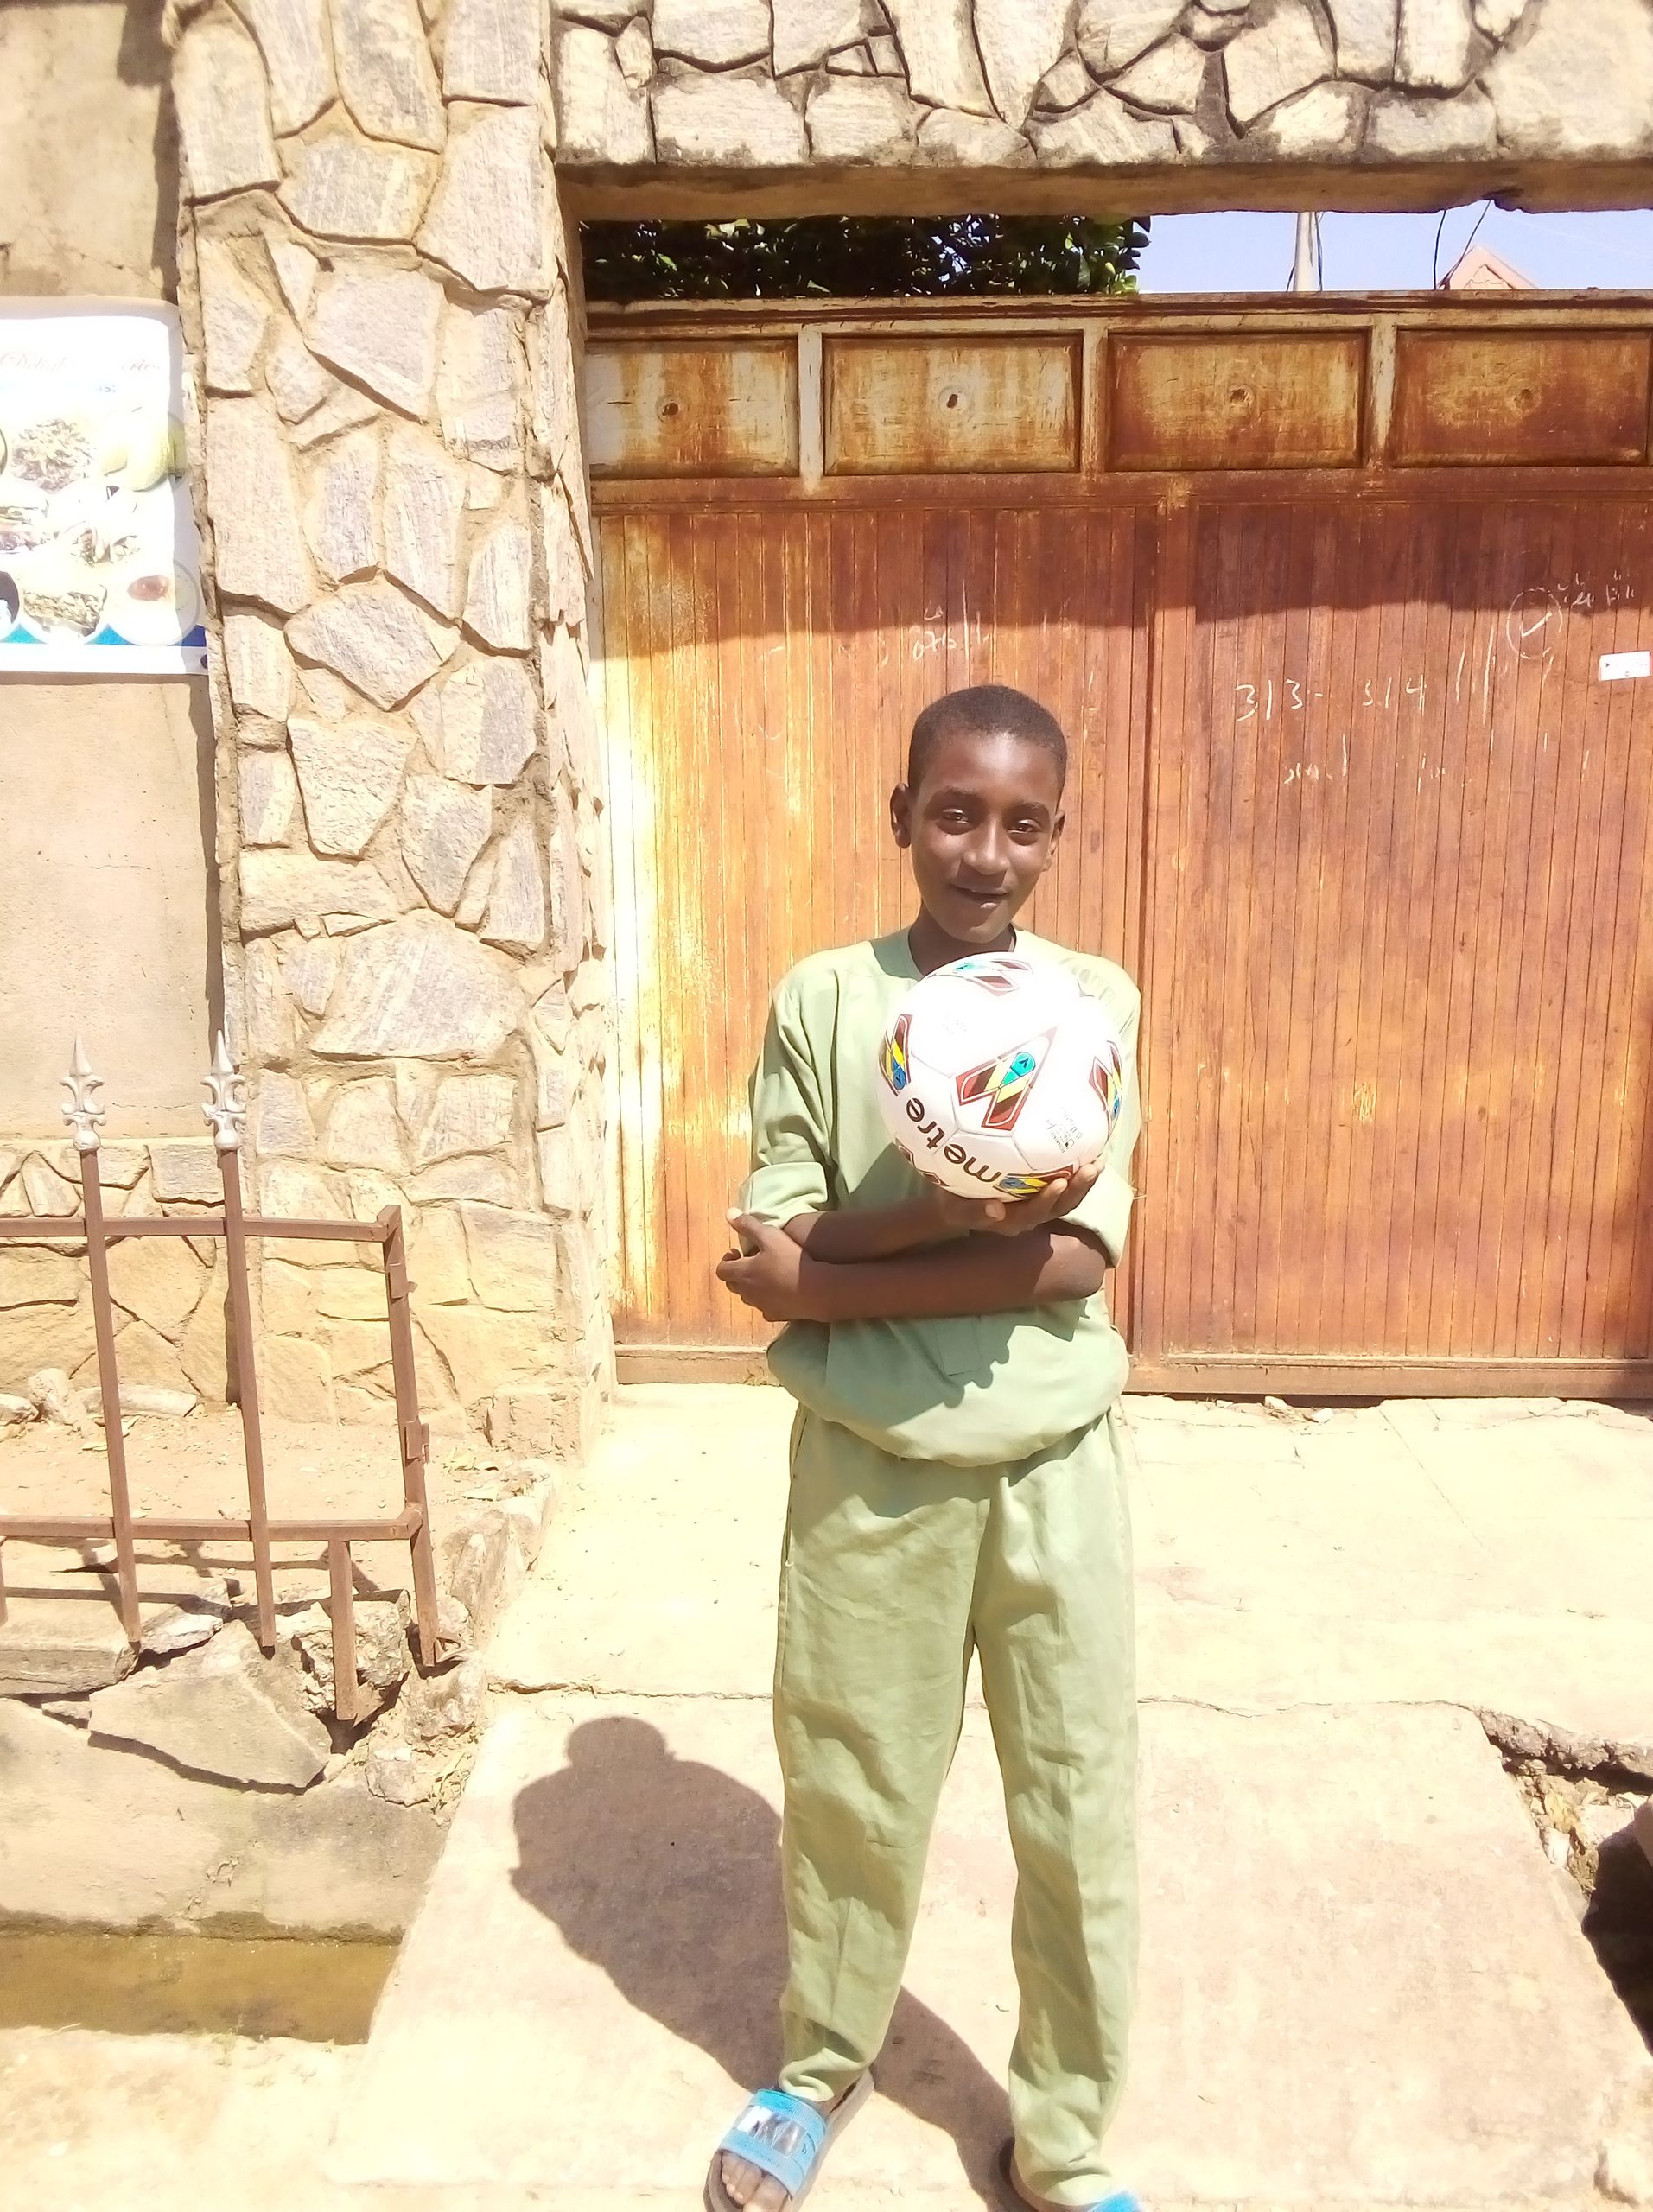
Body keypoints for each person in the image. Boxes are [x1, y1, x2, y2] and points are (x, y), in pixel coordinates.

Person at [709, 684, 1143, 2212]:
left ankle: (1065, 2137)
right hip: (871, 1467)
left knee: (1077, 1804)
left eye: (1023, 824)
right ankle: (819, 2069)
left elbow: (1072, 1260)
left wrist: (836, 1277)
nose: (985, 853)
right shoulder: (827, 1000)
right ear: (902, 816)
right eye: (955, 814)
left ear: (1057, 836)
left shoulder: (1088, 1005)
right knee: (853, 1787)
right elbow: (767, 1233)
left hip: (1050, 1467)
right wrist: (940, 1209)